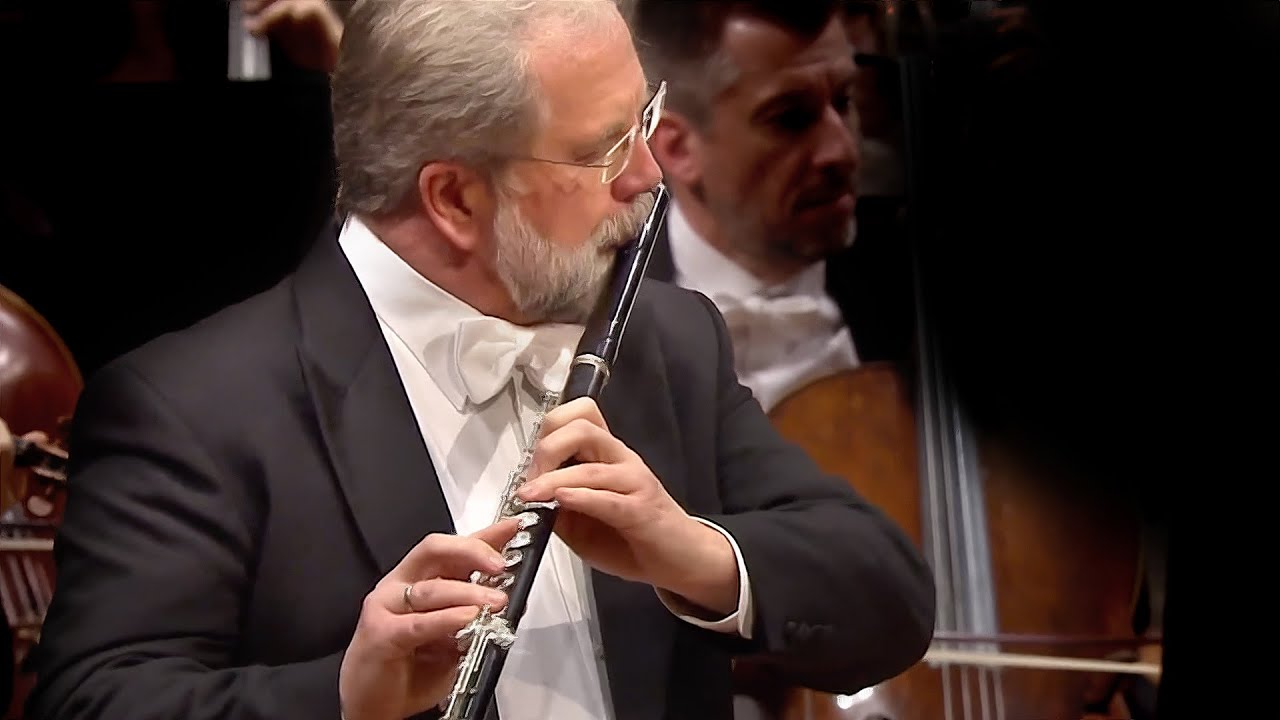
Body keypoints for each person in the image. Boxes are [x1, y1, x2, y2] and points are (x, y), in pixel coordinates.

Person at [26, 1, 935, 719]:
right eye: (605, 150)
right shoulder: (188, 406)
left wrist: (696, 554)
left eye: (645, 120)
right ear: (454, 199)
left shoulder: (668, 341)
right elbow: (92, 700)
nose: (649, 178)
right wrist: (345, 696)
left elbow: (887, 599)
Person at [630, 0, 916, 414]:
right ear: (677, 147)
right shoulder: (598, 321)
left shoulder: (926, 279)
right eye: (789, 119)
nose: (841, 150)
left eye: (843, 101)